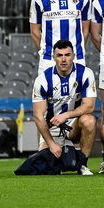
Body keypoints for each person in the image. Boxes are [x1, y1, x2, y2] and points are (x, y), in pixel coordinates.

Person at [30, 39, 96, 176]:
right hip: (52, 128)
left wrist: (65, 115)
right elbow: (38, 116)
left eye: (67, 55)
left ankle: (82, 164)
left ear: (73, 56)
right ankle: (56, 152)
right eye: (59, 55)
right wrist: (51, 143)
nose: (64, 59)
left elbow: (89, 107)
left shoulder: (85, 74)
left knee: (89, 120)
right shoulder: (42, 80)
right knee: (48, 168)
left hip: (73, 125)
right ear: (54, 57)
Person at [30, 0, 92, 75]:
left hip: (76, 59)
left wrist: (74, 51)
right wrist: (44, 51)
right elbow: (34, 30)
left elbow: (85, 30)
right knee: (47, 94)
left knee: (76, 94)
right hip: (48, 59)